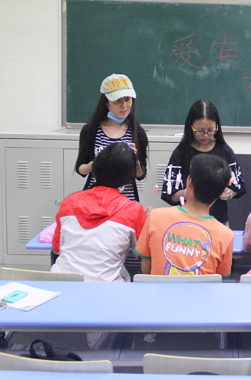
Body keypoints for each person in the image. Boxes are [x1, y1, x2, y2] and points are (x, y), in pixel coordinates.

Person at [51, 143, 146, 282]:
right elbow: (141, 255)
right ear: (128, 177)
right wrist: (148, 224)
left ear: (95, 167)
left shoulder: (69, 201)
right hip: (107, 288)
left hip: (61, 284)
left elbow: (57, 248)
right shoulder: (133, 209)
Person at [137, 154, 234, 277]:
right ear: (221, 192)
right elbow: (221, 277)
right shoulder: (226, 235)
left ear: (189, 182)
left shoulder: (155, 217)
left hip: (159, 289)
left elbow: (146, 269)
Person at [161, 99, 245, 225]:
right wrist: (187, 193)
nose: (205, 135)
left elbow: (237, 186)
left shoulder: (224, 151)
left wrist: (229, 193)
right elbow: (170, 194)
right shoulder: (181, 153)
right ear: (190, 127)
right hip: (187, 221)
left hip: (218, 221)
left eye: (210, 130)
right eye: (200, 131)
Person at [74, 73, 148, 202]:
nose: (124, 105)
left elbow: (140, 175)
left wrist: (134, 159)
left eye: (127, 99)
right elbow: (81, 169)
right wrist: (95, 164)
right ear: (106, 102)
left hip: (126, 202)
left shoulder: (137, 132)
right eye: (117, 100)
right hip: (96, 201)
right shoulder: (91, 131)